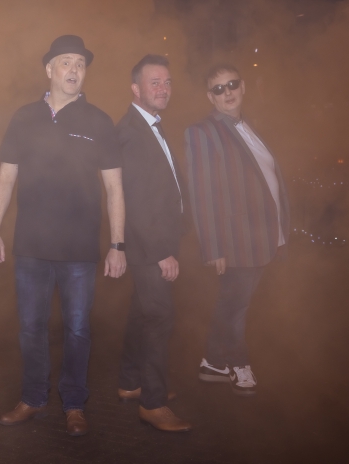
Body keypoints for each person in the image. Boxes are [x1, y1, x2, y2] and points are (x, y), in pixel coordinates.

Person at [0, 35, 126, 437]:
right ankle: (32, 397)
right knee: (31, 326)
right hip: (31, 245)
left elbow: (114, 188)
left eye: (80, 64)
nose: (74, 70)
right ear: (49, 69)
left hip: (80, 248)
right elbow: (5, 177)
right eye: (66, 62)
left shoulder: (99, 121)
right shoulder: (24, 117)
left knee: (78, 329)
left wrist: (117, 245)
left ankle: (75, 404)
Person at [184, 63, 290, 396]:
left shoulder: (250, 126)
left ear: (242, 86)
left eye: (231, 85)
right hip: (236, 239)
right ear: (210, 97)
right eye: (218, 89)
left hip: (263, 235)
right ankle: (238, 362)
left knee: (232, 302)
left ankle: (213, 362)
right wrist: (213, 247)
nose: (227, 92)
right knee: (237, 305)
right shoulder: (203, 132)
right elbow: (202, 194)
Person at [115, 55, 190, 431]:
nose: (163, 89)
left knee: (141, 312)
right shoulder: (132, 131)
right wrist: (162, 251)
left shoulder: (149, 125)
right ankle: (153, 403)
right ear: (136, 89)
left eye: (167, 82)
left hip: (151, 242)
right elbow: (136, 200)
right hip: (150, 245)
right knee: (160, 317)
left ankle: (131, 382)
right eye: (154, 82)